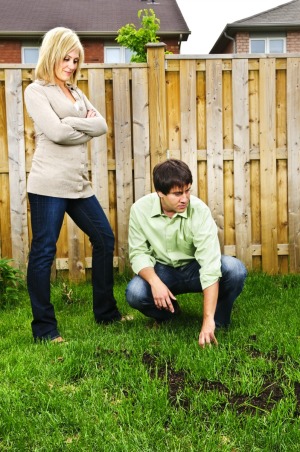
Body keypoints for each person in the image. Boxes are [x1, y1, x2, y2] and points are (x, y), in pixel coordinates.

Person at [24, 27, 123, 343]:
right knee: (44, 252)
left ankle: (106, 314)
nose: (70, 65)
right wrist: (82, 127)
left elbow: (102, 125)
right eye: (65, 58)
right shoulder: (37, 91)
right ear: (52, 54)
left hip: (79, 185)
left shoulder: (76, 93)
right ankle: (44, 329)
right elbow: (55, 133)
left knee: (104, 239)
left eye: (75, 60)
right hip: (48, 185)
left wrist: (70, 123)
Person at [126, 159, 247, 348]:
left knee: (235, 269)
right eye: (177, 193)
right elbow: (138, 253)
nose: (185, 198)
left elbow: (209, 264)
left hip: (194, 269)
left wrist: (207, 319)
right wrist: (155, 283)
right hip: (163, 271)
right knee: (135, 293)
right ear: (160, 193)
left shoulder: (199, 210)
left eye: (187, 191)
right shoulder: (139, 210)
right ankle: (170, 315)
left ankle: (217, 321)